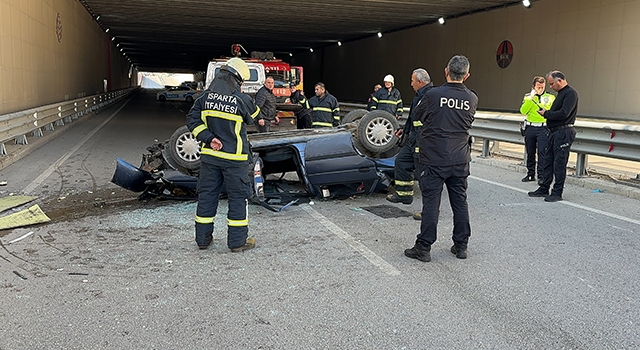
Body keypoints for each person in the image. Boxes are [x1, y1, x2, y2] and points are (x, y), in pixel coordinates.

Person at [404, 55, 478, 262]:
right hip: (460, 158)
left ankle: (424, 247)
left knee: (431, 203)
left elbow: (418, 115)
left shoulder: (434, 95)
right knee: (460, 202)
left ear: (446, 71)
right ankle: (461, 245)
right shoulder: (472, 98)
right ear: (467, 75)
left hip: (434, 158)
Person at [186, 57, 260, 252]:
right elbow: (255, 117)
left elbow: (192, 120)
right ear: (237, 79)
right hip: (235, 160)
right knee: (238, 198)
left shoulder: (204, 97)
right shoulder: (241, 99)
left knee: (207, 196)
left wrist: (209, 138)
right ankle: (237, 242)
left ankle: (203, 240)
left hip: (210, 158)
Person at [386, 69, 434, 217]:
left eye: (412, 80)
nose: (410, 83)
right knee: (401, 161)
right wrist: (404, 131)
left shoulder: (431, 95)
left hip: (423, 140)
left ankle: (428, 212)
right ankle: (404, 195)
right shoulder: (418, 95)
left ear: (420, 82)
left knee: (423, 175)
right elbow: (412, 118)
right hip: (413, 138)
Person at [528, 70, 578, 202]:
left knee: (559, 163)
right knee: (547, 160)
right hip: (553, 132)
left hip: (564, 132)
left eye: (551, 84)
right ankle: (544, 187)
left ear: (559, 81)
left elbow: (564, 113)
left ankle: (557, 192)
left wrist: (547, 114)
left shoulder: (570, 94)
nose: (550, 87)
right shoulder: (560, 94)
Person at [520, 76, 555, 182]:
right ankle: (530, 174)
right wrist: (531, 98)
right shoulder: (527, 97)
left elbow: (551, 111)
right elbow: (523, 111)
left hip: (543, 128)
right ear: (533, 87)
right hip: (530, 127)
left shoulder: (550, 97)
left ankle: (541, 176)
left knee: (542, 152)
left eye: (542, 87)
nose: (540, 89)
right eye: (538, 87)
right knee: (530, 152)